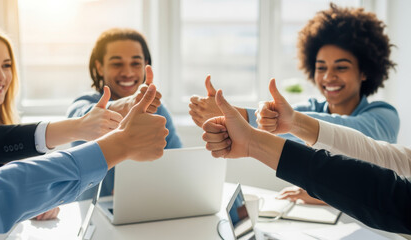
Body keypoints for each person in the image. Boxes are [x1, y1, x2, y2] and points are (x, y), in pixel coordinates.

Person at [201, 88, 411, 234]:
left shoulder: (384, 112)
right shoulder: (315, 105)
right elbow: (386, 157)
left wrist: (254, 143)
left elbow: (393, 196)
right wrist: (295, 123)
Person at [0, 83, 168, 236]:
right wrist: (115, 143)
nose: (0, 75)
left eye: (6, 65)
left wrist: (39, 200)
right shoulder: (87, 100)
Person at [0, 23, 122, 220]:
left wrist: (30, 204)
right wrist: (78, 126)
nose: (1, 76)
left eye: (6, 65)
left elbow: (0, 196)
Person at [189, 3, 399, 144]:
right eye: (321, 67)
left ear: (364, 72)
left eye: (341, 67)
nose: (328, 77)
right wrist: (224, 119)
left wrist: (241, 115)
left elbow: (350, 136)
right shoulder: (308, 109)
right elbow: (271, 128)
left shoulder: (384, 116)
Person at [67, 28, 182, 199]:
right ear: (99, 67)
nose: (127, 72)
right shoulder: (83, 104)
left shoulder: (157, 109)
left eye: (135, 63)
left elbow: (179, 164)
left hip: (148, 210)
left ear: (146, 65)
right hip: (96, 215)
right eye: (117, 63)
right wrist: (129, 104)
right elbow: (84, 118)